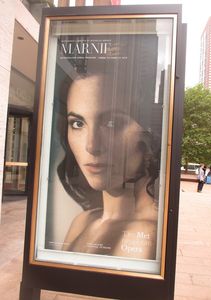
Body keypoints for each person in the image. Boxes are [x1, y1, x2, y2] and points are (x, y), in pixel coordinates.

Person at [57, 72, 160, 260]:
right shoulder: (82, 221)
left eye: (112, 122)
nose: (91, 145)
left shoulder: (149, 234)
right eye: (78, 123)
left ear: (148, 136)